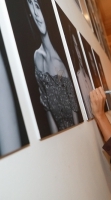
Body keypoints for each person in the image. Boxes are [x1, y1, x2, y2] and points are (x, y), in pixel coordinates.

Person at [25, 0, 79, 133]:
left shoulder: (60, 60)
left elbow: (73, 108)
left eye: (37, 7)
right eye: (32, 11)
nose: (36, 15)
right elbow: (46, 105)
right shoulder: (37, 56)